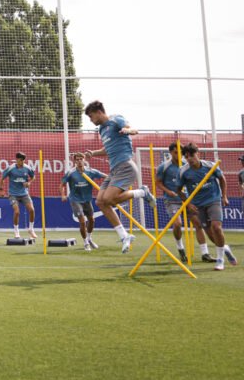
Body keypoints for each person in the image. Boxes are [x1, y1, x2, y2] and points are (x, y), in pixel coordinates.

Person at [75, 101, 156, 253]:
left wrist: (128, 131)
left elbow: (132, 129)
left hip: (125, 166)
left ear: (99, 112)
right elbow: (108, 149)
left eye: (91, 117)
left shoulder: (115, 119)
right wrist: (93, 153)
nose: (91, 120)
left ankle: (142, 192)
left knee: (110, 199)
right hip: (114, 170)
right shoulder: (102, 130)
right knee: (100, 202)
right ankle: (124, 235)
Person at [178, 143, 236, 271]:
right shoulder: (184, 172)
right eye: (186, 157)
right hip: (198, 205)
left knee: (216, 227)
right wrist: (189, 204)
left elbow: (222, 179)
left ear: (197, 153)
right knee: (210, 234)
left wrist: (224, 196)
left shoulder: (210, 166)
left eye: (191, 155)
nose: (189, 159)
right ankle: (225, 248)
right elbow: (178, 190)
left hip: (213, 200)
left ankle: (220, 260)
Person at [154, 143, 204, 262]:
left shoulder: (187, 165)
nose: (178, 155)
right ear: (170, 152)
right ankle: (180, 248)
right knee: (177, 224)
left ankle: (205, 252)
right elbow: (158, 182)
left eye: (180, 153)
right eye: (175, 152)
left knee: (198, 223)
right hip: (172, 200)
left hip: (187, 200)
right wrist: (168, 191)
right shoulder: (164, 167)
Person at [60, 153, 105, 251]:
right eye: (77, 159)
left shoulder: (91, 172)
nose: (79, 161)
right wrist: (63, 195)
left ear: (84, 160)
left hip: (87, 200)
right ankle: (85, 243)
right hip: (75, 200)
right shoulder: (70, 173)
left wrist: (109, 186)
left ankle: (89, 239)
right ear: (75, 161)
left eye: (81, 159)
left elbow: (106, 177)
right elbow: (62, 184)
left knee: (92, 220)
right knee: (82, 221)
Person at [0, 152, 38, 240]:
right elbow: (2, 179)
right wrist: (1, 190)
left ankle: (31, 229)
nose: (22, 162)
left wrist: (29, 183)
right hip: (13, 194)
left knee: (31, 210)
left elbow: (33, 177)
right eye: (21, 160)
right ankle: (16, 231)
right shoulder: (11, 168)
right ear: (17, 160)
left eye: (24, 160)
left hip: (24, 194)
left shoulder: (27, 168)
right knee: (17, 212)